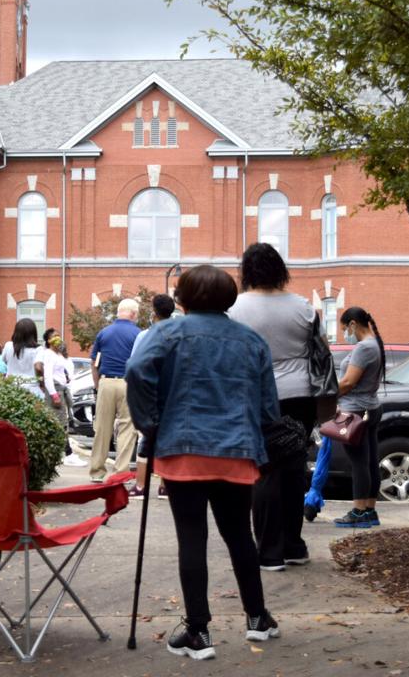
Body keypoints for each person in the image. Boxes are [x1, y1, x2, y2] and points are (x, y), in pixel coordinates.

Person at [126, 265, 281, 660]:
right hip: (238, 450)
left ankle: (198, 630)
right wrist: (261, 430)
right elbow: (268, 403)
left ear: (183, 298)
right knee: (240, 537)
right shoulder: (251, 340)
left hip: (183, 448)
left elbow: (136, 370)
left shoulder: (167, 332)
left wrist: (150, 423)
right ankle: (257, 617)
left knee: (192, 537)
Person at [227, 243, 316, 571]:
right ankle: (294, 545)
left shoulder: (235, 309)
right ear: (280, 269)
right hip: (301, 396)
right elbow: (315, 351)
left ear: (247, 270)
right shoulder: (304, 307)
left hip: (256, 395)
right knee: (294, 471)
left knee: (263, 471)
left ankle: (269, 552)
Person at [333, 306, 386, 528]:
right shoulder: (376, 344)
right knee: (371, 460)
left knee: (358, 462)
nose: (345, 333)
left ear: (353, 324)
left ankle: (358, 511)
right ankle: (370, 510)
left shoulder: (364, 347)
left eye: (345, 328)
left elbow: (348, 382)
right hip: (371, 407)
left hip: (354, 410)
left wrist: (327, 396)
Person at [88, 298, 141, 482]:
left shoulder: (104, 333)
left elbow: (94, 362)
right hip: (128, 384)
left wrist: (97, 385)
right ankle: (121, 472)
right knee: (127, 428)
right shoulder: (137, 334)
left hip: (106, 382)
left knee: (102, 428)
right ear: (133, 314)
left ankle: (97, 471)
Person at [128, 293, 176, 499]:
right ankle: (165, 486)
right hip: (173, 392)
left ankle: (141, 485)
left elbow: (134, 365)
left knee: (145, 440)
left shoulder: (145, 335)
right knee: (168, 440)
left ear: (154, 312)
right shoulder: (178, 334)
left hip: (152, 392)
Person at [38, 332, 86, 467]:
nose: (58, 338)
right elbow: (47, 375)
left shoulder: (58, 354)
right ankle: (67, 453)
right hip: (56, 390)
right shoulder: (48, 354)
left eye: (59, 335)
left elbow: (65, 370)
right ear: (48, 340)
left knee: (61, 421)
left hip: (63, 389)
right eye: (54, 336)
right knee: (60, 423)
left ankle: (61, 453)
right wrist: (54, 395)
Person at [2, 318, 44, 399]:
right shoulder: (38, 349)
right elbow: (38, 368)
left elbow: (4, 360)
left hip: (10, 388)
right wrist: (42, 384)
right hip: (32, 389)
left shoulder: (8, 346)